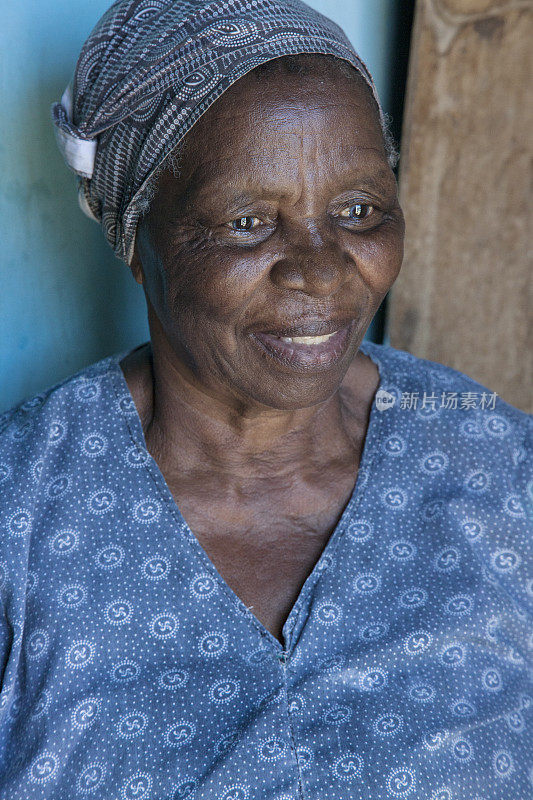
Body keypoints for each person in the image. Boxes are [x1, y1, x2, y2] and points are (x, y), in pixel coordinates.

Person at [0, 1, 531, 798]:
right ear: (135, 236)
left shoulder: (500, 470)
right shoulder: (23, 513)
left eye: (357, 212)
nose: (321, 272)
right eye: (247, 223)